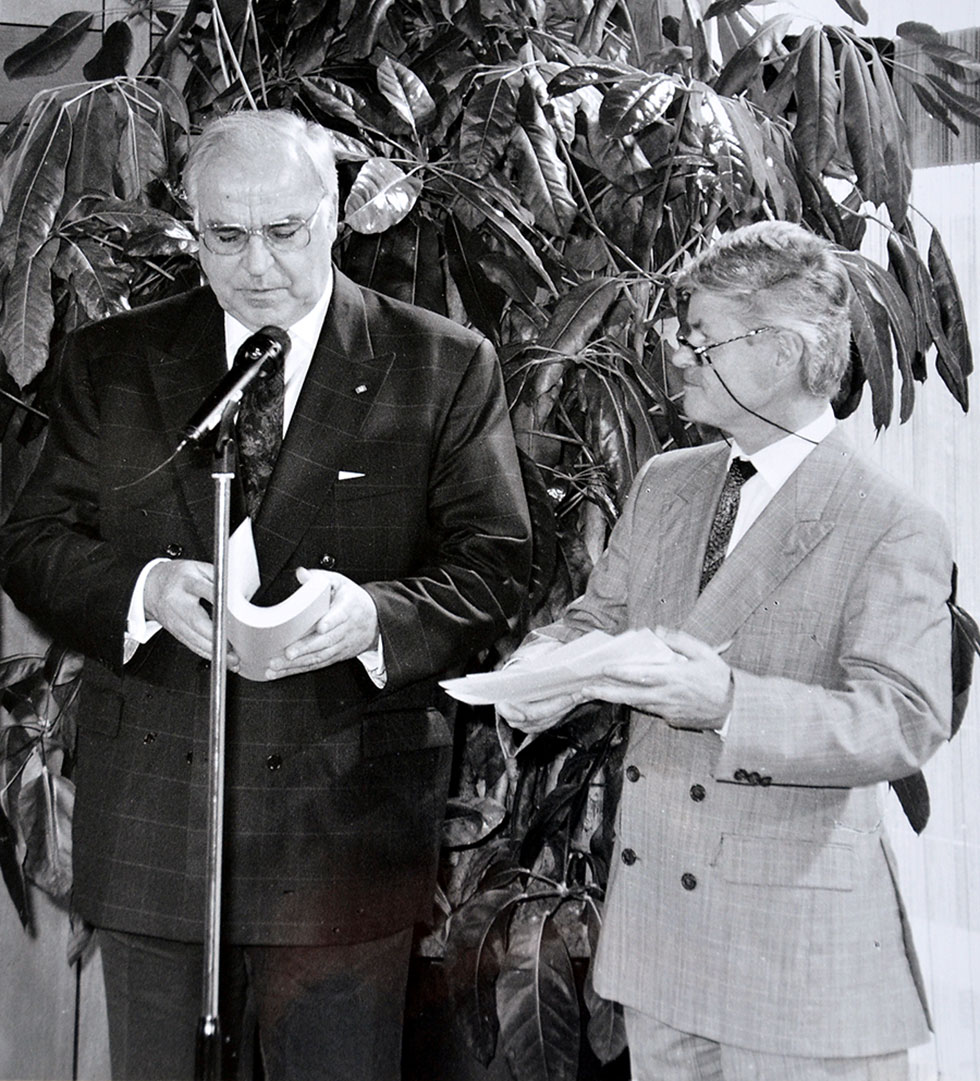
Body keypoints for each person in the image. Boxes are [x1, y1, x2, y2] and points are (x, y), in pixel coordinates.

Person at [0, 109, 531, 1081]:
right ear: (190, 227)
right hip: (159, 815)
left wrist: (371, 618)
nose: (256, 266)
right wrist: (149, 588)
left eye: (284, 232)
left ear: (336, 216)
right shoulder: (113, 362)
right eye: (226, 236)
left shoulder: (440, 365)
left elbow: (493, 563)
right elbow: (33, 542)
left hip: (342, 825)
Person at [497, 221, 952, 1081]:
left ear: (779, 353)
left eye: (701, 335)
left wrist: (732, 704)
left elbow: (902, 720)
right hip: (661, 941)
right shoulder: (667, 481)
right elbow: (601, 619)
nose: (677, 351)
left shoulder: (890, 521)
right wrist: (541, 669)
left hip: (798, 962)